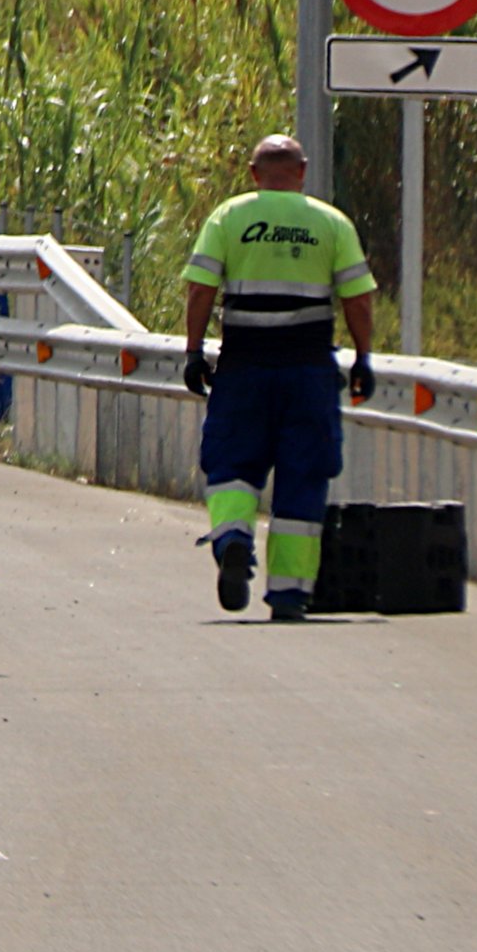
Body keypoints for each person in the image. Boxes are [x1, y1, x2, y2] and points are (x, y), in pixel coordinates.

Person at [179, 131, 379, 622]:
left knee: (230, 466)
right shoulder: (331, 224)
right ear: (302, 172)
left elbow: (200, 290)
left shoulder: (230, 217)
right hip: (308, 372)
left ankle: (233, 538)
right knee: (304, 475)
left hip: (244, 369)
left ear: (253, 175)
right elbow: (358, 298)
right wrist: (364, 358)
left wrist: (192, 351)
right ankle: (289, 595)